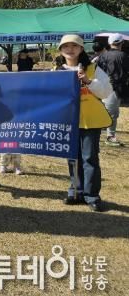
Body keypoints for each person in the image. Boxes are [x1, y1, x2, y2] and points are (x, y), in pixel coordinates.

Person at [55, 34, 112, 212]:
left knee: (89, 158)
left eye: (74, 46)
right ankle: (76, 192)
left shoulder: (93, 69)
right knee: (72, 159)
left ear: (81, 49)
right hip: (68, 122)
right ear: (61, 50)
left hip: (90, 121)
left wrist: (88, 81)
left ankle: (92, 196)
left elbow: (106, 92)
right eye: (66, 46)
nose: (70, 49)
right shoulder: (56, 72)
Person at [96, 33, 129, 147]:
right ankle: (110, 137)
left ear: (110, 43)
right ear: (121, 43)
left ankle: (104, 134)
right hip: (115, 87)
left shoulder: (103, 56)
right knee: (112, 113)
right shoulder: (124, 56)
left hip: (102, 87)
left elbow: (97, 71)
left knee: (108, 111)